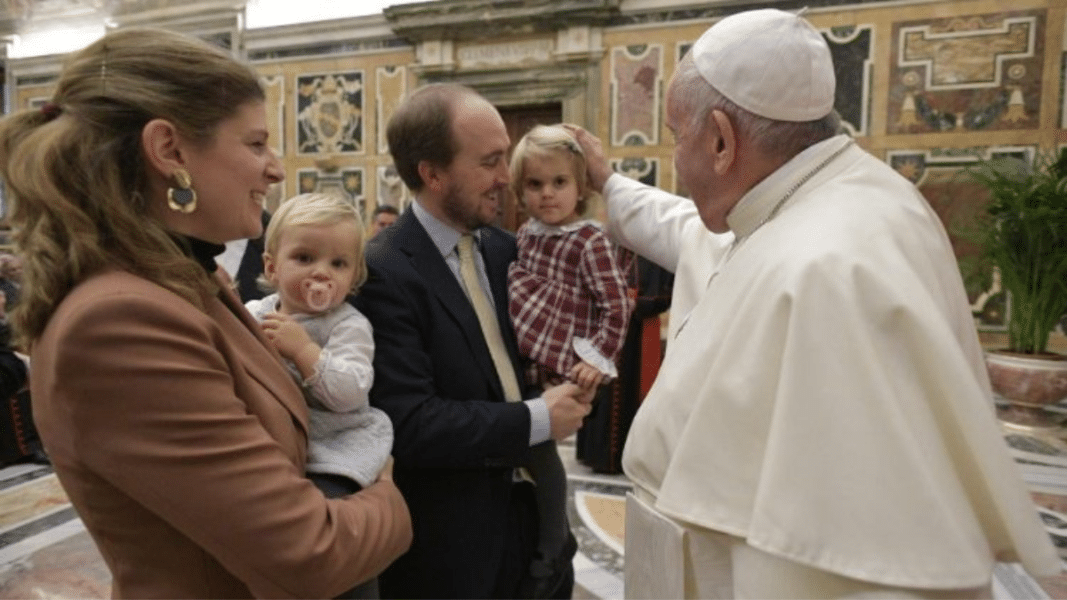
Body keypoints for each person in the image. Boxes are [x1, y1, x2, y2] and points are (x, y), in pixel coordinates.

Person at [569, 8, 1060, 599]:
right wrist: (609, 182)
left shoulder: (829, 271)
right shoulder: (831, 198)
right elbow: (689, 232)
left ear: (722, 140)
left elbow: (859, 568)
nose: (677, 158)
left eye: (678, 138)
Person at [0, 27, 411, 599]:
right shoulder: (118, 322)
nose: (276, 170)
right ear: (169, 151)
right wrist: (388, 492)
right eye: (255, 144)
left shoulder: (189, 279)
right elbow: (309, 551)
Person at [355, 83, 593, 599]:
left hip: (538, 538)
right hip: (451, 558)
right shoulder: (382, 270)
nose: (506, 179)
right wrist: (539, 418)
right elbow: (410, 422)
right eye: (489, 162)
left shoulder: (510, 250)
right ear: (432, 172)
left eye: (505, 158)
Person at [246, 192, 394, 598]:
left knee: (339, 536)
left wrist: (305, 350)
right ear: (272, 267)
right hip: (278, 446)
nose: (321, 274)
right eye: (305, 258)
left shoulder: (348, 325)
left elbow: (349, 393)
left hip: (336, 444)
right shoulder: (255, 313)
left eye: (338, 263)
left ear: (354, 276)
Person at [505, 124, 633, 587]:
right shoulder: (524, 237)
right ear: (520, 191)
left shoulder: (590, 240)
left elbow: (617, 303)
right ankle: (531, 536)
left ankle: (553, 544)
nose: (547, 194)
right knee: (521, 451)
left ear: (580, 187)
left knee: (540, 453)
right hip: (525, 361)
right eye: (535, 185)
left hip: (565, 364)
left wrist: (598, 358)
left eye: (559, 182)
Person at [576, 255, 673, 474]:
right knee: (599, 391)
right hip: (602, 328)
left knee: (626, 393)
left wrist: (633, 303)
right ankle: (595, 454)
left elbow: (664, 297)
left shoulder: (653, 255)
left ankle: (618, 458)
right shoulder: (606, 249)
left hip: (635, 337)